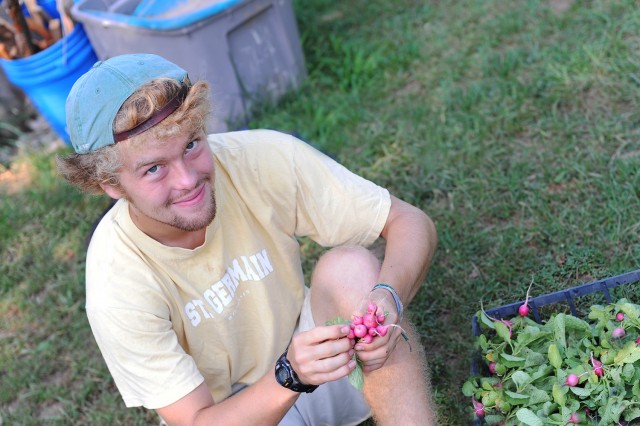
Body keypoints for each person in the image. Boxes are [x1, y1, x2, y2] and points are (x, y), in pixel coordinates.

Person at [57, 53, 438, 426]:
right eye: (154, 169)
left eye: (191, 145)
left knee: (351, 268)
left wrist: (389, 297)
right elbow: (195, 421)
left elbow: (409, 222)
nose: (187, 180)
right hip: (237, 412)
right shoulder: (116, 281)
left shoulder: (260, 157)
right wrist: (289, 374)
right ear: (110, 184)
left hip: (322, 357)